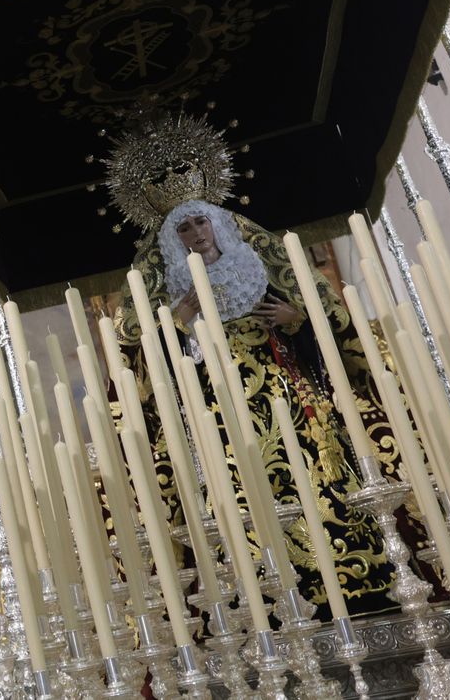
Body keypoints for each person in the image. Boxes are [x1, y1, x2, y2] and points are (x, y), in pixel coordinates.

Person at [107, 116, 396, 614]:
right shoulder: (164, 287)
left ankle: (354, 582)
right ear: (173, 239)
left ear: (216, 222)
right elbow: (135, 364)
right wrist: (178, 322)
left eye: (201, 221)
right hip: (218, 407)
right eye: (184, 227)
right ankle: (268, 595)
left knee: (318, 471)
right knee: (243, 488)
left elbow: (326, 319)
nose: (196, 232)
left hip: (288, 391)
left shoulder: (259, 257)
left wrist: (293, 319)